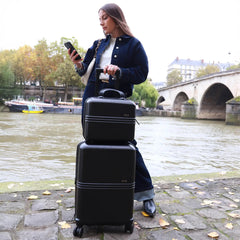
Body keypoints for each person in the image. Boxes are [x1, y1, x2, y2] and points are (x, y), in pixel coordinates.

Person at [68, 3, 156, 217]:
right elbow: (84, 73)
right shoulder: (97, 44)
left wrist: (120, 71)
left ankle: (146, 194)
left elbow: (141, 73)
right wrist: (77, 64)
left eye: (105, 18)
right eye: (99, 19)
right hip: (92, 102)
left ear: (116, 18)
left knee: (127, 146)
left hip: (117, 104)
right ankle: (99, 190)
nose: (101, 22)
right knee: (93, 145)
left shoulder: (134, 45)